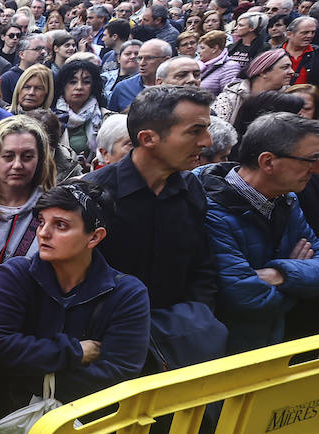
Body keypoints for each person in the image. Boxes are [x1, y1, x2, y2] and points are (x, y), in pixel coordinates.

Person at [0, 182, 151, 417]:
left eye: (60, 225)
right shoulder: (15, 274)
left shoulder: (127, 294)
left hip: (90, 432)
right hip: (8, 421)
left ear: (94, 237)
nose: (43, 233)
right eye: (41, 222)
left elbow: (118, 376)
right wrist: (74, 353)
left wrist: (29, 370)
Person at [82, 86, 217, 311]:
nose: (207, 141)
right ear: (148, 139)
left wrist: (197, 316)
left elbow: (203, 266)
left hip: (181, 331)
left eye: (207, 129)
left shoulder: (191, 187)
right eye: (195, 131)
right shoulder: (91, 193)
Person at [198, 113, 319, 353]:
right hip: (224, 355)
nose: (314, 170)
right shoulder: (209, 208)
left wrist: (282, 274)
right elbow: (246, 297)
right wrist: (299, 282)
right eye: (311, 159)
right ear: (268, 162)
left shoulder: (286, 199)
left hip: (269, 342)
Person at [0, 115, 56, 263]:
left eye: (27, 157)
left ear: (40, 160)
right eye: (8, 156)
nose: (17, 165)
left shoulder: (52, 211)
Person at [212, 48, 294, 125]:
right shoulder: (230, 97)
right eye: (285, 67)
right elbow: (216, 129)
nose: (292, 71)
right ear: (263, 72)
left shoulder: (292, 96)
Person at [54, 59, 111, 164]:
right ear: (63, 85)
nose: (79, 87)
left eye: (86, 82)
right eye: (72, 82)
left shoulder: (106, 118)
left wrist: (89, 167)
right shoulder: (50, 117)